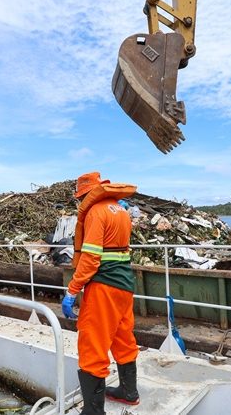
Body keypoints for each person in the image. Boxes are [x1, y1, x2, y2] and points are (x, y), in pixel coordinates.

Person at [62, 172, 139, 415]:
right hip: (124, 285)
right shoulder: (120, 210)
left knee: (92, 345)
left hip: (103, 287)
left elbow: (91, 259)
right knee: (123, 338)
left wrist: (72, 290)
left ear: (85, 195)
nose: (79, 203)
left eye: (79, 198)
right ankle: (129, 392)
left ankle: (93, 411)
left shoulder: (95, 212)